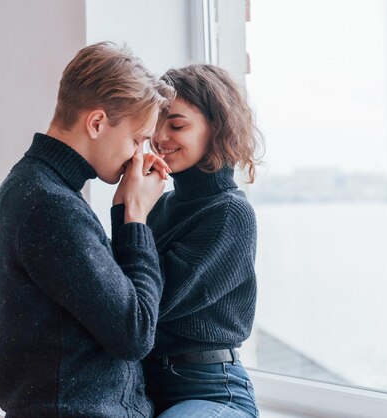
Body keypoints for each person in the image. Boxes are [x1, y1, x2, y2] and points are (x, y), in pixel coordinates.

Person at [0, 42, 174, 418]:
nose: (139, 154)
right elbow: (134, 332)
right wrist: (134, 217)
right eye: (137, 139)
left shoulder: (33, 187)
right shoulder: (50, 203)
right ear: (97, 122)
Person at [112, 64, 263, 417]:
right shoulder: (159, 204)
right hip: (141, 388)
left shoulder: (229, 213)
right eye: (157, 123)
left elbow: (150, 304)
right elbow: (117, 291)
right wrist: (125, 207)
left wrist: (131, 212)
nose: (160, 137)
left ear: (217, 128)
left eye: (177, 124)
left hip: (210, 389)